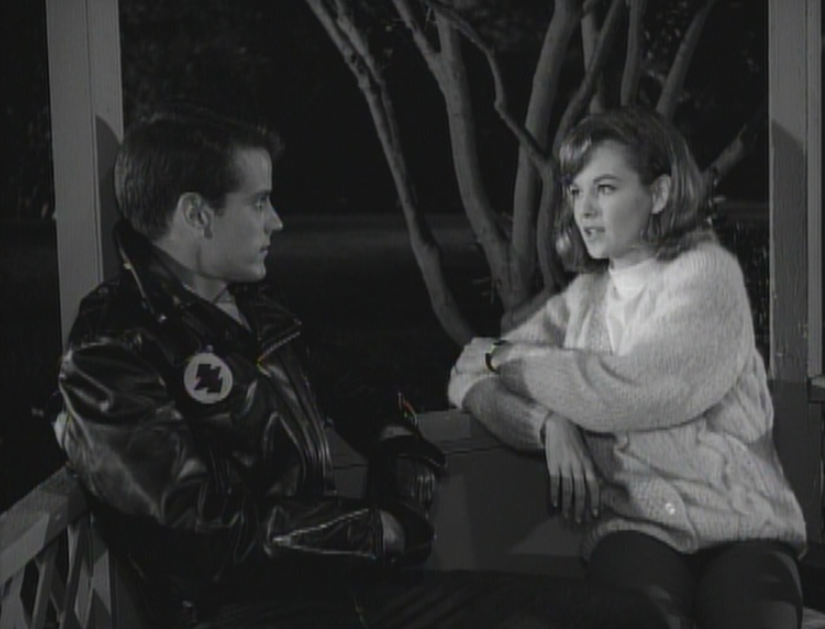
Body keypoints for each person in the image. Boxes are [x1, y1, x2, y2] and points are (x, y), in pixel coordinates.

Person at [51, 104, 667, 629]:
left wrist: (399, 454)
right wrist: (377, 530)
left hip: (343, 594)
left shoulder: (252, 308)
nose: (276, 221)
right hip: (253, 614)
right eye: (259, 202)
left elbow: (362, 390)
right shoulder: (114, 348)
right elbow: (201, 539)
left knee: (621, 618)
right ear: (196, 214)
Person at [448, 106, 807, 629]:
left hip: (743, 525)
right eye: (575, 191)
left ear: (658, 194)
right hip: (638, 528)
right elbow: (468, 375)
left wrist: (509, 360)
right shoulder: (583, 301)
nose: (584, 210)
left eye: (606, 188)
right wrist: (546, 423)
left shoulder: (708, 276)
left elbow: (633, 392)